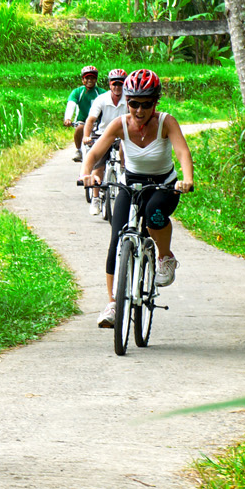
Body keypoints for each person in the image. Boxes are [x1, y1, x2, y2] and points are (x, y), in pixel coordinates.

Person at [80, 69, 194, 328]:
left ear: (156, 102)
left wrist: (186, 178)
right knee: (116, 240)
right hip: (130, 185)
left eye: (146, 104)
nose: (139, 111)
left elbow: (182, 152)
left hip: (163, 186)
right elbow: (95, 152)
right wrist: (86, 173)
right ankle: (113, 302)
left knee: (155, 215)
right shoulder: (119, 124)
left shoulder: (167, 122)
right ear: (127, 101)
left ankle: (165, 257)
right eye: (133, 104)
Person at [82, 68, 128, 216]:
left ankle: (123, 171)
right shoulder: (101, 99)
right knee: (98, 165)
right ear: (109, 84)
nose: (117, 87)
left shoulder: (129, 99)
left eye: (121, 84)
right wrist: (86, 136)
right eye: (114, 84)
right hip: (102, 135)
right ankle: (95, 198)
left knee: (125, 150)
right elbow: (90, 120)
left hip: (122, 135)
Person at [64, 66, 101, 162]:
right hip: (82, 121)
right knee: (80, 128)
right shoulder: (78, 92)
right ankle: (79, 150)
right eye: (87, 78)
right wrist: (68, 118)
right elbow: (71, 104)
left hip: (98, 122)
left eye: (92, 78)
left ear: (96, 80)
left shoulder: (100, 92)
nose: (90, 80)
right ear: (83, 80)